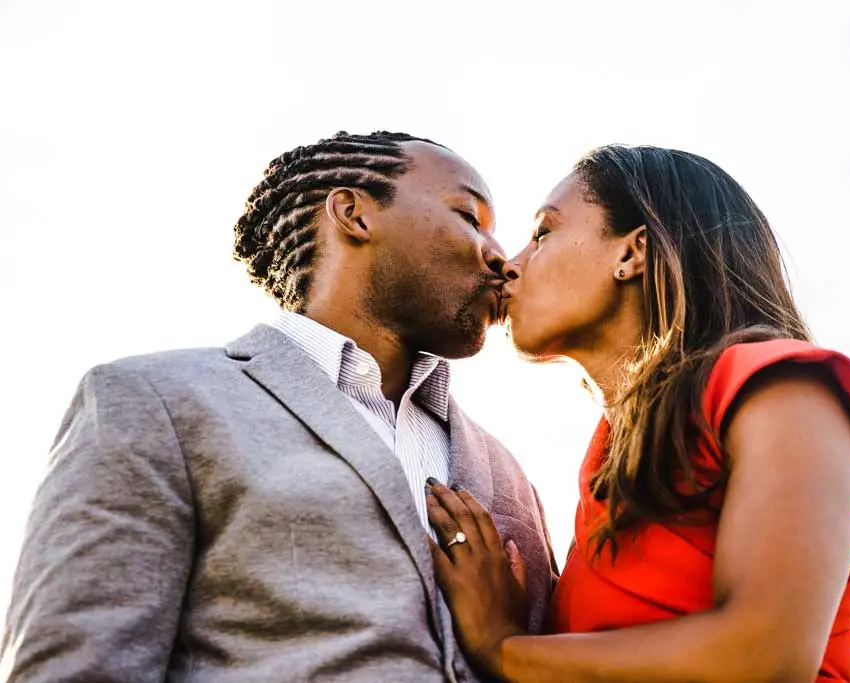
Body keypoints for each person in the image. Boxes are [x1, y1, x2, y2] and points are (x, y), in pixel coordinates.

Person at [1, 130, 558, 682]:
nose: (500, 257)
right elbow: (74, 666)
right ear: (353, 213)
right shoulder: (156, 400)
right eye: (469, 216)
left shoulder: (512, 475)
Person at [424, 144, 850, 682]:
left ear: (632, 253)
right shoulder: (602, 474)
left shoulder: (782, 389)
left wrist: (503, 649)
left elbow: (766, 658)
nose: (511, 262)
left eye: (544, 232)